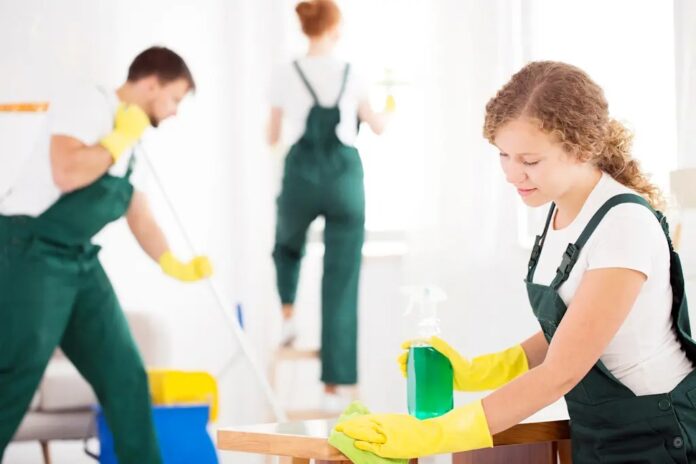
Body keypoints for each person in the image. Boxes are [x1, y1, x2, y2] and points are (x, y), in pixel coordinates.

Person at [335, 61, 696, 462]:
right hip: (602, 431)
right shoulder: (560, 209)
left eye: (529, 161)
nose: (511, 173)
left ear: (581, 148)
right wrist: (483, 370)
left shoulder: (623, 225)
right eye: (503, 155)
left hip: (660, 434)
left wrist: (434, 435)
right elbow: (573, 328)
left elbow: (561, 371)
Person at [0, 46, 212, 464]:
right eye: (174, 98)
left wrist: (172, 263)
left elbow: (140, 216)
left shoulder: (136, 143)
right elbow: (66, 171)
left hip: (78, 261)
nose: (174, 112)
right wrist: (118, 139)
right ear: (151, 84)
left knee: (124, 375)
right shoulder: (90, 102)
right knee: (14, 376)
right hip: (29, 252)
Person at [267, 0, 390, 410]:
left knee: (287, 245)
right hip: (344, 181)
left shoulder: (285, 72)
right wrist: (387, 111)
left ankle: (288, 317)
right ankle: (333, 389)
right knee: (342, 276)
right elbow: (376, 125)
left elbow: (271, 136)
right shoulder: (352, 72)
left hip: (301, 175)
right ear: (335, 27)